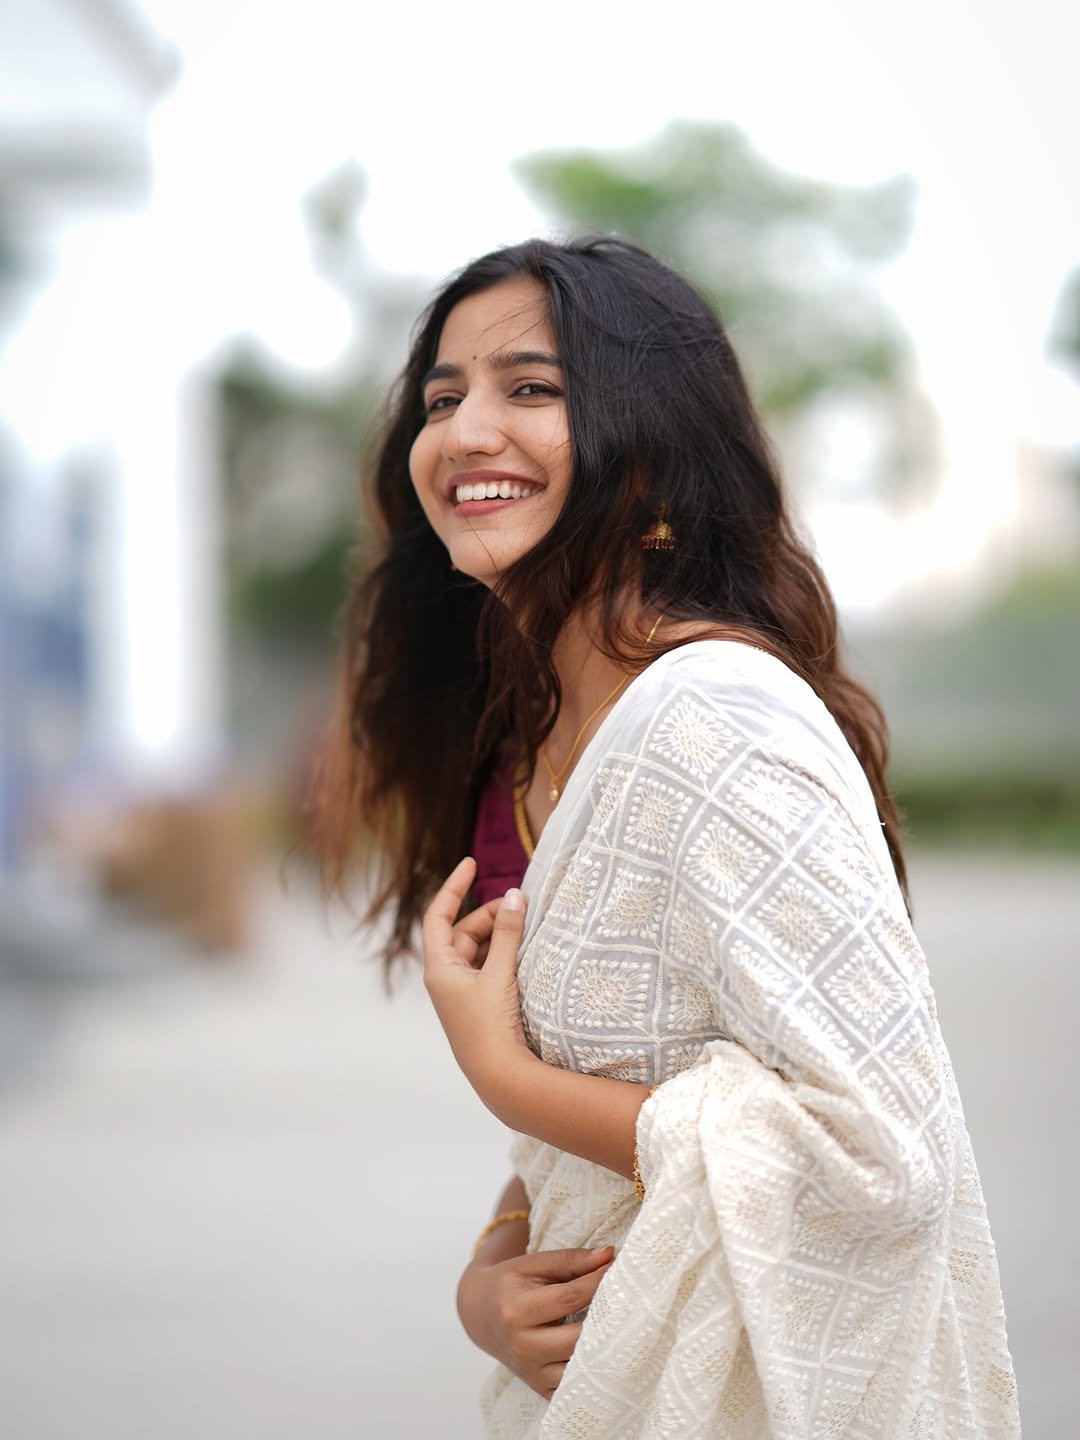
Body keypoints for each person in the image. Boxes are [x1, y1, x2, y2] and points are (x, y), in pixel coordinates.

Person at [312, 238, 1019, 1438]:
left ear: (651, 444)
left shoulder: (716, 724)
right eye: (443, 398)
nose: (466, 430)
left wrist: (505, 1078)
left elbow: (876, 1148)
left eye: (530, 388)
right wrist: (490, 1282)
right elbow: (628, 1110)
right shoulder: (529, 738)